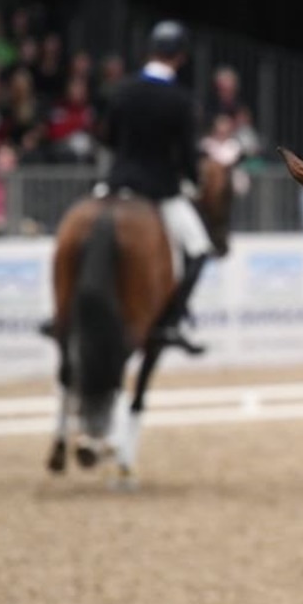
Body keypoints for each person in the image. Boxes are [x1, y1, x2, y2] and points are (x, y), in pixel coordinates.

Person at [103, 19, 211, 354]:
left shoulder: (122, 90)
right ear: (180, 57)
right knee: (199, 251)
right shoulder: (180, 100)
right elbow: (188, 156)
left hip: (117, 185)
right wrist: (193, 181)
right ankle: (170, 321)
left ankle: (60, 314)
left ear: (150, 51)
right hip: (160, 191)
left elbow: (108, 138)